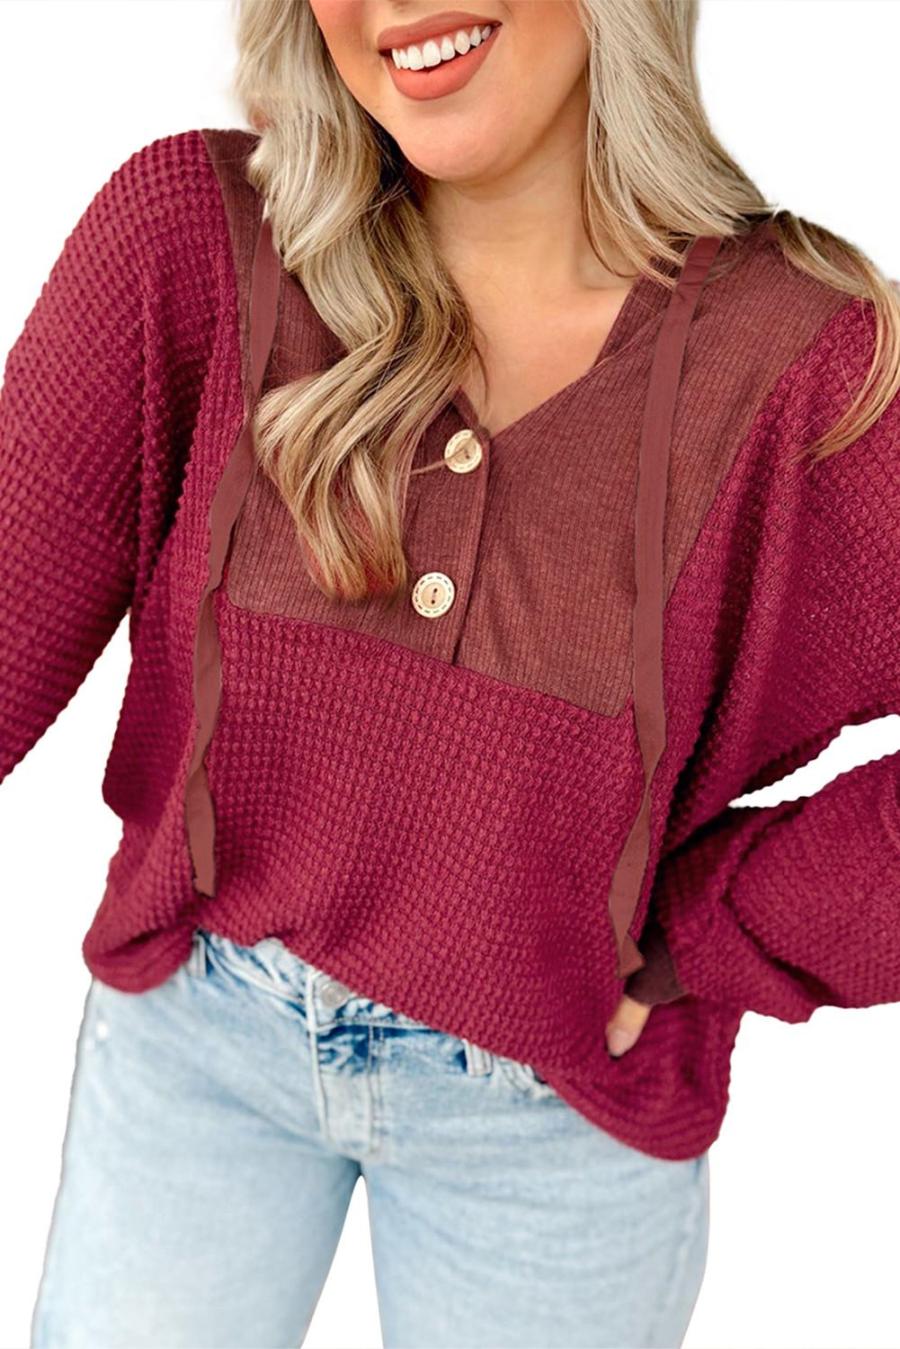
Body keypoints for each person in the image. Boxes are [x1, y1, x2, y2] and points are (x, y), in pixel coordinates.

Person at [3, 1, 899, 1346]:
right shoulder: (196, 239)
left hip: (552, 1132)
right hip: (200, 1042)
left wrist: (722, 924)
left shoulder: (798, 367)